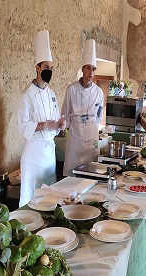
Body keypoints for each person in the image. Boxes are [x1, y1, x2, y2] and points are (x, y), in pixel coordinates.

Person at [17, 30, 65, 207]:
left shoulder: (51, 94)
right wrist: (46, 125)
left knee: (49, 197)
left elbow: (54, 121)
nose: (49, 72)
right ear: (37, 68)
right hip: (34, 155)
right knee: (31, 198)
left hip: (49, 155)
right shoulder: (26, 95)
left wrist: (59, 124)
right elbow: (23, 126)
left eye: (51, 68)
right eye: (46, 68)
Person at [62, 39, 104, 176]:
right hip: (76, 134)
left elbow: (99, 115)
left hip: (92, 133)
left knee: (92, 169)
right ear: (82, 69)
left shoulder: (98, 92)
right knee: (72, 170)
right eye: (88, 68)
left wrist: (91, 125)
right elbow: (65, 112)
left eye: (93, 69)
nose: (91, 72)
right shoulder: (71, 89)